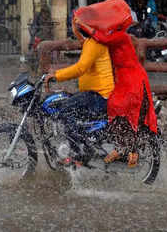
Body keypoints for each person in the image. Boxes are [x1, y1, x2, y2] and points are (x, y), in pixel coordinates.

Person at [73, 0, 158, 168]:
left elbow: (101, 39)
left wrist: (84, 25)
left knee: (121, 107)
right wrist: (77, 31)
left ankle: (129, 149)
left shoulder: (120, 37)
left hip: (133, 77)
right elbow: (91, 43)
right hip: (123, 78)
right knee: (114, 108)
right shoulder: (113, 36)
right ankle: (122, 147)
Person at [44, 16, 115, 164]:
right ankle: (81, 144)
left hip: (98, 95)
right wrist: (77, 31)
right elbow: (85, 43)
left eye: (82, 25)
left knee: (64, 110)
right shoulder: (93, 42)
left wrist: (56, 76)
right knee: (70, 107)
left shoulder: (94, 44)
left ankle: (79, 151)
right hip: (94, 93)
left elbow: (80, 68)